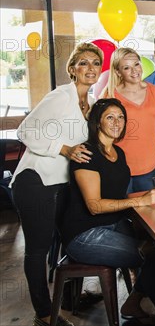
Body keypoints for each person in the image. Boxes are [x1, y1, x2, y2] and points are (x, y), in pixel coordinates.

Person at [61, 98, 155, 326]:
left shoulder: (118, 152)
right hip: (85, 234)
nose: (117, 122)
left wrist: (150, 196)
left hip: (114, 223)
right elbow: (94, 205)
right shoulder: (87, 154)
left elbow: (119, 196)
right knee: (147, 256)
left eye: (121, 117)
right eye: (110, 117)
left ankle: (133, 302)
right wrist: (139, 201)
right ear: (97, 122)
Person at [10, 42, 103, 326]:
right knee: (37, 250)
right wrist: (65, 149)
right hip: (36, 180)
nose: (90, 68)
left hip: (63, 183)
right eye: (84, 63)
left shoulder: (90, 100)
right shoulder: (61, 95)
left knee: (71, 240)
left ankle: (70, 299)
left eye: (96, 63)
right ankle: (44, 314)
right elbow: (25, 130)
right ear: (73, 68)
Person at [102, 47, 155, 193]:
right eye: (126, 67)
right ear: (118, 72)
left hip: (148, 167)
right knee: (123, 213)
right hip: (119, 166)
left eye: (136, 64)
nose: (134, 71)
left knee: (149, 213)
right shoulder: (110, 94)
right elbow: (103, 133)